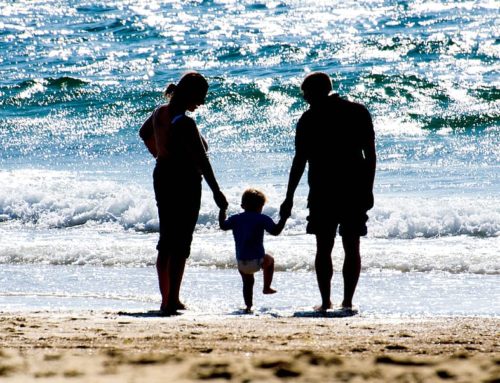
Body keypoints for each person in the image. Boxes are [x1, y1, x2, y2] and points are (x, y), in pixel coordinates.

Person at [280, 72, 376, 312]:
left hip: (322, 190)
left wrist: (289, 196)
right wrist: (368, 187)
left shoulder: (309, 119)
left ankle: (325, 302)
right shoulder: (358, 111)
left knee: (324, 247)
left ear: (315, 92)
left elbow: (299, 161)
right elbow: (370, 156)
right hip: (353, 187)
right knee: (351, 245)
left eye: (306, 94)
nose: (304, 99)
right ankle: (347, 302)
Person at [139, 71, 228, 316]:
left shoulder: (160, 112)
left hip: (162, 175)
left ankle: (166, 299)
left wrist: (160, 154)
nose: (203, 102)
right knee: (180, 242)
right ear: (189, 93)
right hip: (185, 180)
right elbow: (203, 160)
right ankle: (172, 300)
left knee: (167, 239)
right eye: (201, 96)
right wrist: (217, 191)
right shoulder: (186, 123)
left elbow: (144, 133)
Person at [219, 188, 288, 313]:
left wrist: (222, 210)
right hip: (258, 260)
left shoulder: (235, 218)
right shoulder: (262, 218)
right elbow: (276, 231)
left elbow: (223, 226)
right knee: (270, 260)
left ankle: (248, 306)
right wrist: (284, 218)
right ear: (261, 206)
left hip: (241, 262)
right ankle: (266, 287)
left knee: (248, 283)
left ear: (242, 205)